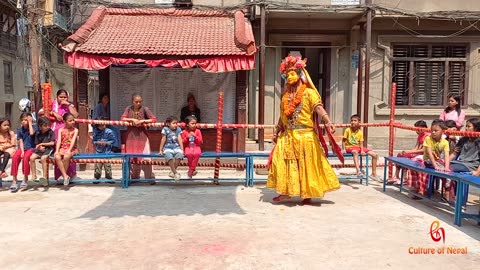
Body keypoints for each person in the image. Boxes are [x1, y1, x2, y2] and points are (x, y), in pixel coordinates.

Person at [267, 55, 340, 204]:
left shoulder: (309, 93)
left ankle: (307, 194)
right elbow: (283, 116)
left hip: (306, 136)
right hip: (289, 135)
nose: (289, 77)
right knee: (283, 162)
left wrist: (328, 122)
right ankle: (286, 191)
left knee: (306, 165)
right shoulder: (285, 96)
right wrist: (276, 131)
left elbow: (318, 108)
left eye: (292, 73)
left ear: (300, 75)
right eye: (287, 75)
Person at [121, 93, 157, 180]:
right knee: (132, 156)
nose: (138, 103)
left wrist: (142, 121)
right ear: (132, 101)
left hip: (143, 136)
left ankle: (149, 177)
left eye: (140, 102)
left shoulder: (145, 109)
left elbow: (153, 119)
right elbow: (122, 118)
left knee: (146, 156)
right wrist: (132, 119)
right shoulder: (128, 109)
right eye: (136, 102)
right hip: (131, 136)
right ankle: (134, 177)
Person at [47, 89, 79, 180]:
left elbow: (76, 115)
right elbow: (42, 111)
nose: (63, 98)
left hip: (69, 133)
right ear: (56, 97)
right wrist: (53, 113)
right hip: (56, 132)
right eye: (61, 97)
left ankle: (70, 175)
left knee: (68, 155)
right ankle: (60, 176)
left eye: (65, 97)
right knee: (58, 155)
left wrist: (68, 105)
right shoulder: (52, 104)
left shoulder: (69, 105)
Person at [415, 120, 450, 196]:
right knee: (422, 171)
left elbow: (447, 155)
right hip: (427, 161)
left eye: (436, 131)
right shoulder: (428, 139)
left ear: (443, 131)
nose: (433, 132)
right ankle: (421, 190)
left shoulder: (445, 142)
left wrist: (446, 167)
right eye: (432, 130)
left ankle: (447, 193)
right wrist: (436, 166)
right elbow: (430, 154)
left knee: (448, 173)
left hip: (438, 161)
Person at [388, 120, 429, 185]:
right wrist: (408, 152)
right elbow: (416, 147)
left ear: (423, 128)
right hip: (417, 153)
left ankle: (404, 178)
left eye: (418, 130)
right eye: (416, 130)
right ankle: (396, 175)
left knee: (405, 157)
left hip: (422, 155)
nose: (417, 132)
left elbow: (423, 150)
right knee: (400, 155)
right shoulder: (420, 136)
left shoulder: (427, 136)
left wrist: (409, 152)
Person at [342, 114, 380, 180]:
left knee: (375, 155)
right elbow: (343, 140)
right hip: (349, 147)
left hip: (358, 147)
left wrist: (362, 150)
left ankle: (373, 173)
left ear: (359, 122)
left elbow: (361, 142)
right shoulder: (347, 130)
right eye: (352, 120)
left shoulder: (360, 132)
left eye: (355, 120)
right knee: (355, 152)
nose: (353, 122)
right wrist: (343, 149)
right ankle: (358, 171)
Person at [10, 113, 36, 190]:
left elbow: (31, 133)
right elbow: (20, 141)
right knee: (15, 157)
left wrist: (30, 123)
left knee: (26, 157)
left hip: (31, 148)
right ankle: (14, 180)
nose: (24, 121)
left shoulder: (34, 127)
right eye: (22, 120)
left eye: (26, 120)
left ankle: (25, 178)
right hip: (22, 148)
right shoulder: (19, 130)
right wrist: (21, 151)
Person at [29, 117, 55, 187]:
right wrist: (39, 147)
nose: (47, 127)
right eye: (45, 126)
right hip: (40, 149)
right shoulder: (38, 133)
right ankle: (34, 176)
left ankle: (44, 177)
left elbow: (52, 143)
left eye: (48, 125)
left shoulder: (50, 132)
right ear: (40, 126)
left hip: (49, 149)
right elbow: (37, 144)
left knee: (43, 158)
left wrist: (42, 144)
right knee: (31, 158)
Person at [54, 113, 79, 186]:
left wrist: (69, 150)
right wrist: (57, 150)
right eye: (70, 121)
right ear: (65, 121)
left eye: (73, 120)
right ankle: (65, 176)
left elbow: (73, 141)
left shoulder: (75, 130)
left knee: (66, 156)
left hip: (72, 148)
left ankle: (63, 176)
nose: (72, 122)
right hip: (63, 148)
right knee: (57, 156)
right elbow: (59, 141)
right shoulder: (61, 130)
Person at [159, 116, 184, 181]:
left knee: (179, 155)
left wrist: (182, 149)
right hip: (168, 147)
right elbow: (163, 139)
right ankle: (175, 172)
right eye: (174, 123)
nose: (175, 125)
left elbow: (180, 139)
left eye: (176, 123)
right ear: (168, 124)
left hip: (176, 147)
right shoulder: (165, 129)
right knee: (169, 156)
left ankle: (172, 172)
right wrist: (160, 150)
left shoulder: (178, 129)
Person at [0, 118, 17, 191]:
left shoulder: (11, 133)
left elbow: (13, 144)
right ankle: (2, 172)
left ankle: (1, 171)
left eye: (8, 125)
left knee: (7, 154)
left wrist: (6, 146)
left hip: (9, 149)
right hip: (1, 148)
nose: (7, 127)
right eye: (4, 125)